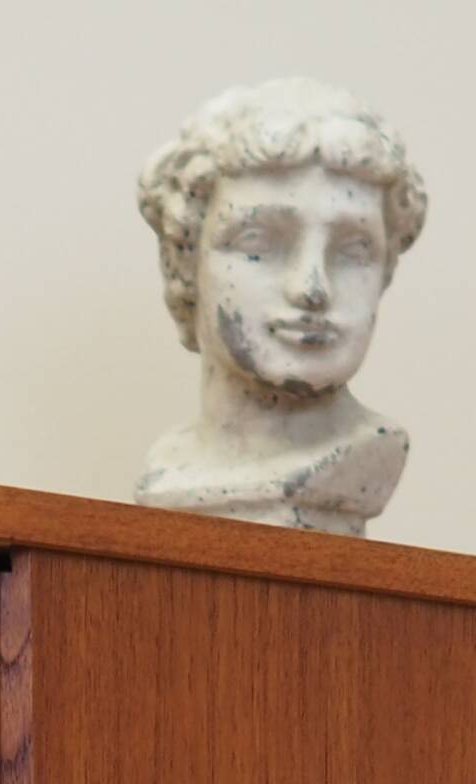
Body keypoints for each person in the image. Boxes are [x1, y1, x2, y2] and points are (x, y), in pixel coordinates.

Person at [130, 78, 426, 536]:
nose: (312, 287)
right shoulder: (169, 464)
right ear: (184, 264)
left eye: (353, 249)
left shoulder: (368, 454)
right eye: (260, 242)